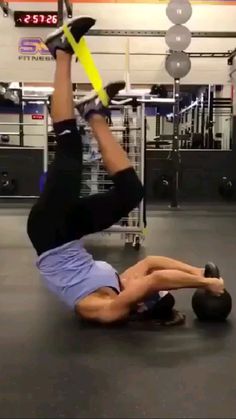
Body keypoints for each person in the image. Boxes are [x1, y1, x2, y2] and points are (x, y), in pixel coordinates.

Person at [27, 16, 224, 326]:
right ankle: (94, 115)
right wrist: (199, 272)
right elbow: (152, 265)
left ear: (140, 307)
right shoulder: (119, 285)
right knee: (132, 192)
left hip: (49, 233)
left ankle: (62, 52)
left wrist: (206, 286)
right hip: (69, 231)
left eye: (147, 297)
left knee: (70, 150)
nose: (140, 287)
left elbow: (150, 281)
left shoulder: (104, 309)